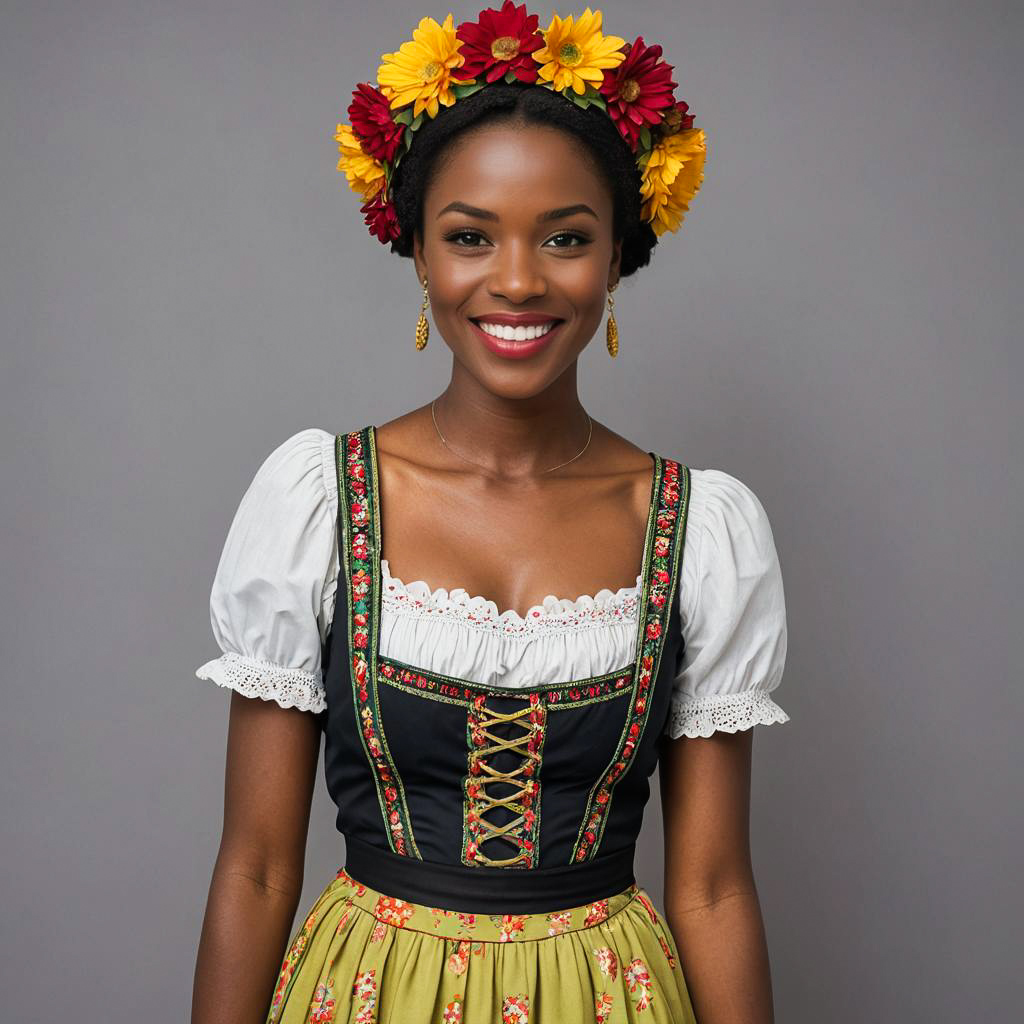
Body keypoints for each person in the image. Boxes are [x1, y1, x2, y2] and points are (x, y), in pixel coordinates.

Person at [190, 6, 790, 1022]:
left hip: (606, 998)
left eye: (565, 238)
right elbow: (253, 868)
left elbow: (713, 886)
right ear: (421, 258)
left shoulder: (701, 526)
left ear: (615, 259)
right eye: (471, 237)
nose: (517, 279)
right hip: (366, 995)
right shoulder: (319, 502)